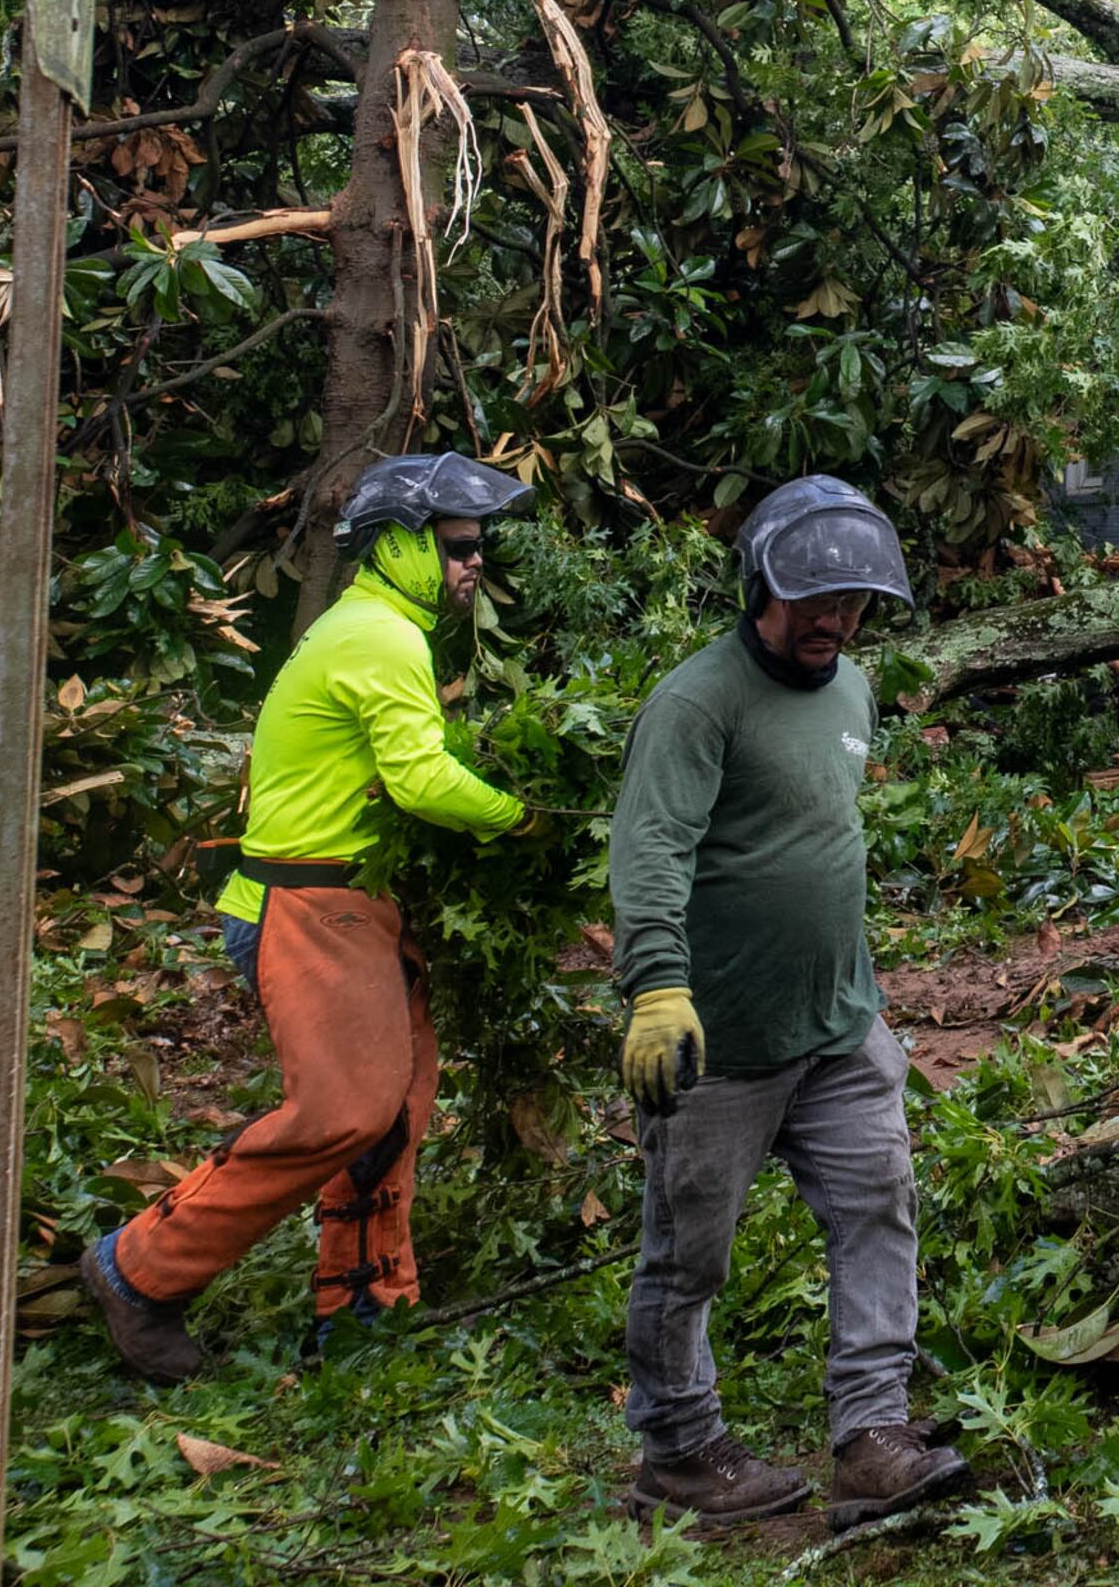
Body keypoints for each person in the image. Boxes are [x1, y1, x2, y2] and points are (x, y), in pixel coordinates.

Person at [84, 452, 538, 1380]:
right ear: (399, 547)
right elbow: (422, 781)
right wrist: (525, 819)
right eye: (456, 546)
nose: (473, 562)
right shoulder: (381, 637)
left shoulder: (375, 627)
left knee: (395, 1109)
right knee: (344, 1109)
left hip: (346, 899)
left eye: (477, 545)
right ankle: (139, 1271)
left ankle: (365, 1311)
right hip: (305, 902)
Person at [608, 476, 973, 1530]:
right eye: (814, 602)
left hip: (838, 1026)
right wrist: (659, 984)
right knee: (690, 1255)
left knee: (877, 1206)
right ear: (759, 584)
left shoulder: (852, 689)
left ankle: (872, 1438)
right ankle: (678, 1452)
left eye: (854, 604)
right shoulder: (696, 702)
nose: (834, 622)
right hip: (717, 1043)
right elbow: (651, 852)